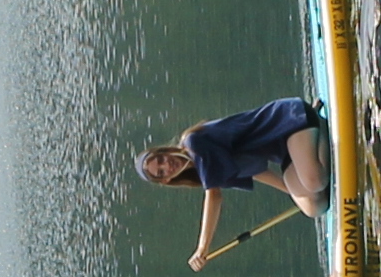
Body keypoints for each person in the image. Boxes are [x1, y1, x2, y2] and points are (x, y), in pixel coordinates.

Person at [136, 99, 329, 267]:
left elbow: (214, 196)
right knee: (314, 207)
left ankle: (317, 122)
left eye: (161, 159)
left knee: (314, 183)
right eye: (161, 172)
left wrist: (202, 248)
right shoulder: (208, 173)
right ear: (167, 180)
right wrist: (295, 194)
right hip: (286, 152)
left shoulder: (193, 143)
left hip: (290, 120)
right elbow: (258, 171)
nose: (166, 165)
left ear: (165, 151)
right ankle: (314, 153)